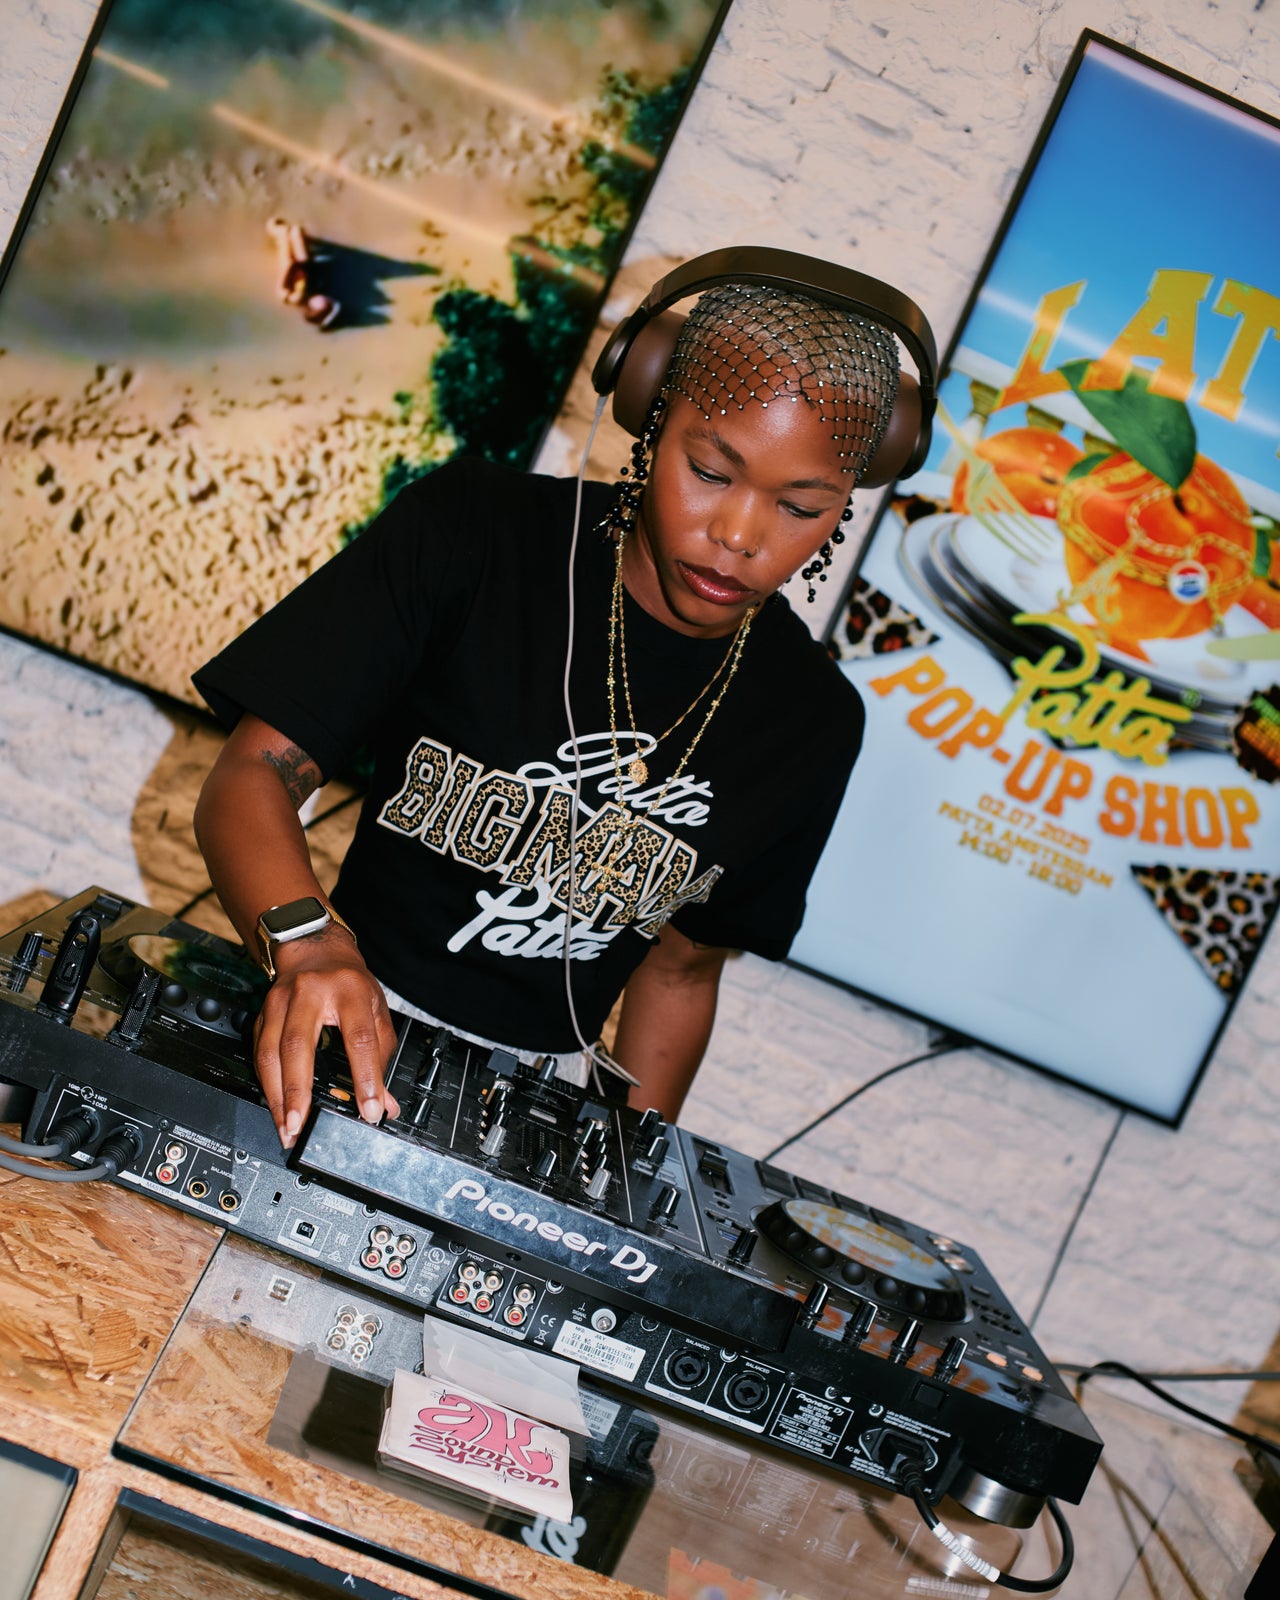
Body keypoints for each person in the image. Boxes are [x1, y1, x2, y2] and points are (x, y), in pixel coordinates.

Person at [192, 271, 903, 1147]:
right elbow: (252, 775)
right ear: (650, 412)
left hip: (537, 1107)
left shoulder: (813, 719)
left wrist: (628, 1169)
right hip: (332, 1015)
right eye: (711, 471)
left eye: (801, 507)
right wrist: (309, 944)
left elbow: (681, 972)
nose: (741, 535)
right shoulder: (474, 532)